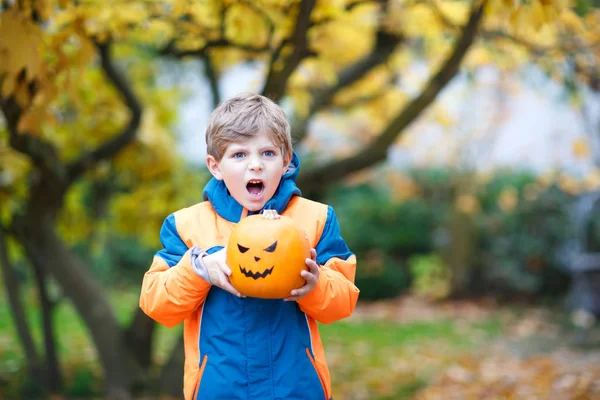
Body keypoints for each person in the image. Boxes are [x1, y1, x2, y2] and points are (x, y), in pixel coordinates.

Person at [139, 92, 359, 400]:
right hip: (219, 389)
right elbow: (157, 304)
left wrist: (316, 284)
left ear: (285, 161)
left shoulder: (316, 219)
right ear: (215, 167)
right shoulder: (187, 226)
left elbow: (344, 301)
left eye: (267, 153)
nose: (255, 165)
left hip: (296, 388)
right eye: (239, 155)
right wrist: (198, 269)